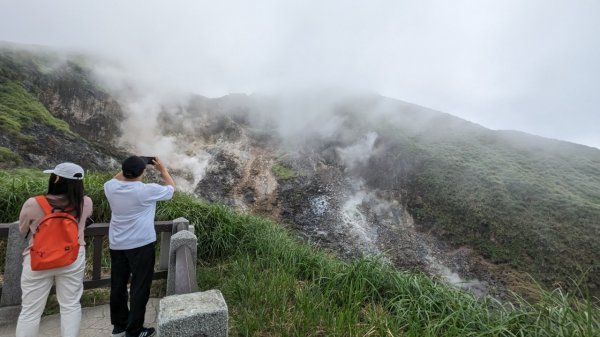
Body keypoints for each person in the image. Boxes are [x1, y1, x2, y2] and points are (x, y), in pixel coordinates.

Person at [16, 162, 93, 337]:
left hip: (39, 258)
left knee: (30, 311)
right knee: (71, 305)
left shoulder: (33, 203)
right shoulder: (86, 202)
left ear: (57, 178)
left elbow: (22, 229)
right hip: (73, 256)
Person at [104, 156, 175, 337]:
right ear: (142, 173)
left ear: (124, 170)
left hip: (117, 244)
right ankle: (135, 330)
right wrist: (163, 170)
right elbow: (171, 189)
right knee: (140, 286)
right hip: (141, 245)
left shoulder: (110, 188)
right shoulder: (145, 191)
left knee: (118, 285)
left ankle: (119, 326)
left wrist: (133, 164)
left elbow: (116, 178)